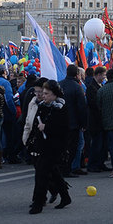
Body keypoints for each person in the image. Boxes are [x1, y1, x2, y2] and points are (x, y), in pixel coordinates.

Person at [29, 80, 71, 215]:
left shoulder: (61, 107)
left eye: (47, 93)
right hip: (43, 144)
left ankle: (38, 203)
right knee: (53, 171)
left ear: (55, 94)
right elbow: (36, 124)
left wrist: (46, 127)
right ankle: (65, 196)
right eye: (43, 93)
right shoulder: (42, 106)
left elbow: (63, 128)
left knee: (42, 173)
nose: (44, 96)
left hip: (55, 146)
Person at [58, 64, 87, 177]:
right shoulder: (77, 87)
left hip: (61, 121)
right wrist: (84, 123)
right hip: (74, 123)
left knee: (64, 146)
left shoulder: (60, 84)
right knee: (74, 146)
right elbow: (82, 107)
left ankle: (68, 167)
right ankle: (68, 168)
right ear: (77, 74)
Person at [85, 66, 107, 173]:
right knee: (96, 144)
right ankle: (92, 164)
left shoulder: (100, 86)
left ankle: (100, 163)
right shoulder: (91, 87)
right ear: (98, 75)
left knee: (102, 144)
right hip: (95, 120)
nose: (104, 77)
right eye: (103, 75)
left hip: (101, 120)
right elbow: (93, 104)